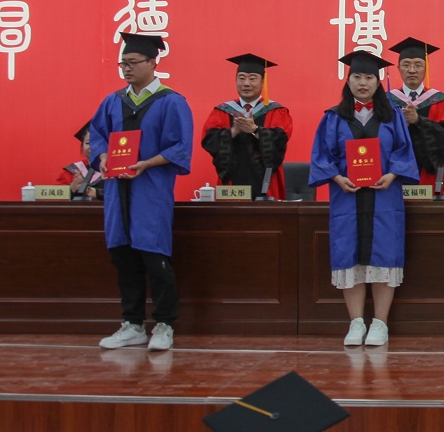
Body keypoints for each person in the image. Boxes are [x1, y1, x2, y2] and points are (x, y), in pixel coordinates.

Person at [88, 32, 193, 352]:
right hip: (116, 189)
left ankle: (164, 324)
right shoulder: (113, 101)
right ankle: (132, 324)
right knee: (123, 257)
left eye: (133, 62)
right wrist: (101, 156)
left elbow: (180, 146)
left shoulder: (171, 101)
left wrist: (148, 163)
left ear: (152, 63)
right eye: (124, 63)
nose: (127, 68)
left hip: (151, 190)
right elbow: (97, 135)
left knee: (154, 255)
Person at [309, 50, 419, 346]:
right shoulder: (333, 117)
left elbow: (404, 152)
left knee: (384, 256)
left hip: (384, 198)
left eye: (369, 77)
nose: (362, 83)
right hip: (347, 197)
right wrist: (337, 178)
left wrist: (392, 175)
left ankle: (380, 324)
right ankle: (356, 323)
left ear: (378, 82)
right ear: (348, 81)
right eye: (356, 76)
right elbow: (322, 156)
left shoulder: (392, 116)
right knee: (350, 258)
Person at [200, 53, 293, 200]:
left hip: (265, 182)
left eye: (252, 78)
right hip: (232, 183)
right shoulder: (223, 111)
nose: (246, 83)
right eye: (241, 78)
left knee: (267, 214)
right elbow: (209, 140)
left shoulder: (276, 111)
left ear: (263, 82)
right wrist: (233, 131)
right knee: (231, 214)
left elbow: (280, 139)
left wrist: (255, 130)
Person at [385, 37, 444, 190]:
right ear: (398, 68)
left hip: (429, 176)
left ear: (426, 68)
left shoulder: (441, 101)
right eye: (406, 65)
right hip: (392, 176)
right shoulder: (386, 101)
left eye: (418, 65)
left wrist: (418, 121)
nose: (412, 70)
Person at [56, 122, 104, 200]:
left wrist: (97, 193)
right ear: (82, 146)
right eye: (88, 143)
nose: (92, 146)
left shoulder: (117, 172)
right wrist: (71, 189)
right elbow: (55, 199)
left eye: (98, 142)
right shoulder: (71, 172)